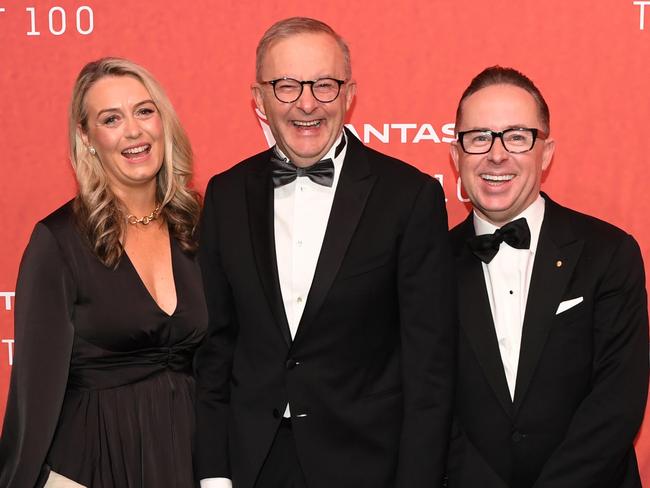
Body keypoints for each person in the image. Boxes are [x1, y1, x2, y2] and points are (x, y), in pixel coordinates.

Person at [195, 16, 455, 488]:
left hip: (366, 465)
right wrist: (214, 473)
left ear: (350, 93)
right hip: (253, 464)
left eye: (325, 85)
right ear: (259, 99)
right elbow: (217, 348)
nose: (307, 103)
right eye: (287, 86)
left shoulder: (408, 197)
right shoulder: (225, 195)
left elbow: (429, 369)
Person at [0, 57, 207, 488]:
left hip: (189, 457)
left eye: (144, 111)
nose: (134, 131)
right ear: (87, 137)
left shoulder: (199, 226)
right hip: (91, 468)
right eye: (111, 119)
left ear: (163, 121)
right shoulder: (58, 242)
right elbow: (34, 391)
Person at [447, 66, 649, 488]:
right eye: (479, 137)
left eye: (517, 136)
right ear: (456, 155)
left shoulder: (608, 253)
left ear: (547, 152)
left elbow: (618, 400)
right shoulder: (426, 264)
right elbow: (423, 400)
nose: (496, 154)